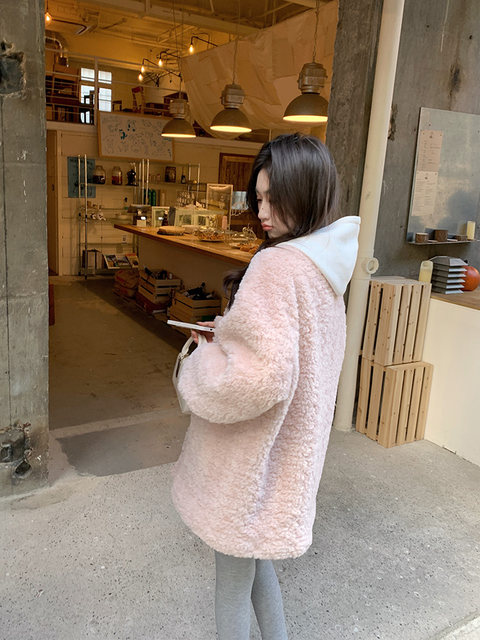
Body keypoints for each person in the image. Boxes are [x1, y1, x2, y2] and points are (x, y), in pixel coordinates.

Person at [171, 133, 360, 639]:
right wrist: (228, 333)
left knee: (231, 583)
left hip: (248, 462)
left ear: (307, 193)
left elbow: (257, 378)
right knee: (257, 566)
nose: (262, 212)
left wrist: (201, 362)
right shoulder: (325, 269)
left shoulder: (276, 265)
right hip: (286, 460)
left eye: (275, 198)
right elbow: (293, 359)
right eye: (258, 198)